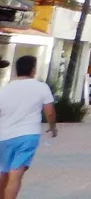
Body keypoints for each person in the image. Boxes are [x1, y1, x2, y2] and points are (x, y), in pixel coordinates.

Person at [0, 55, 56, 199]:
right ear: (33, 70)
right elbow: (49, 112)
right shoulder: (41, 87)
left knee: (3, 172)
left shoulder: (5, 89)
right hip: (28, 135)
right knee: (15, 174)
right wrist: (53, 127)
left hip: (4, 135)